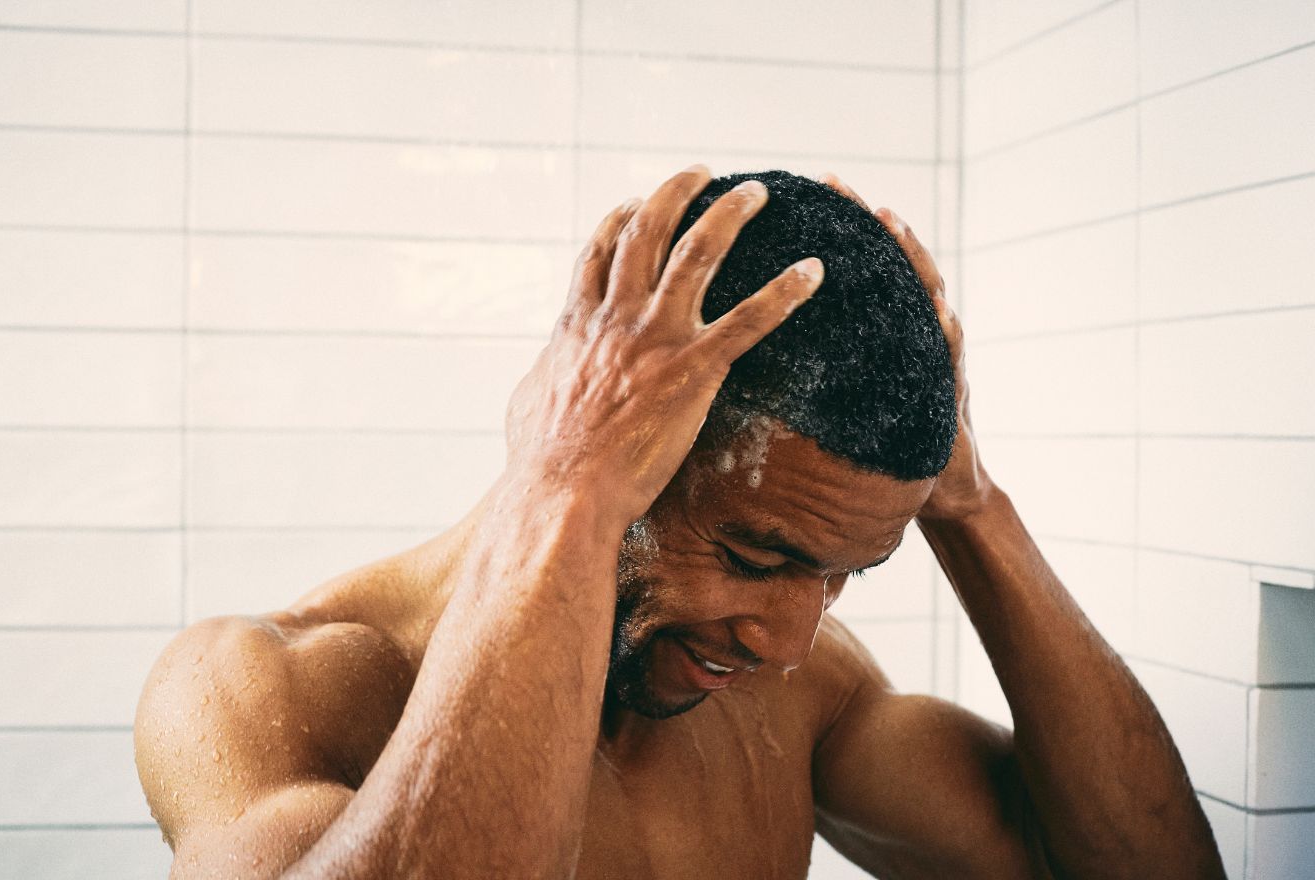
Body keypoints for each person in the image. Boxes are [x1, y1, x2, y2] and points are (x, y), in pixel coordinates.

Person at [134, 167, 1226, 879]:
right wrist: (558, 489)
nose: (789, 639)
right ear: (607, 440)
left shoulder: (800, 703)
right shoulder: (273, 687)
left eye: (845, 574)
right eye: (758, 556)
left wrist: (972, 508)